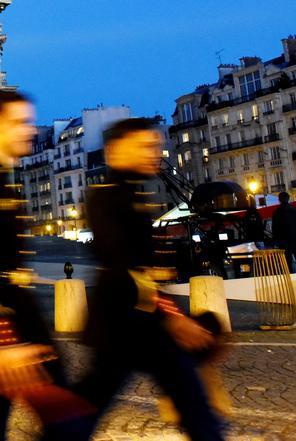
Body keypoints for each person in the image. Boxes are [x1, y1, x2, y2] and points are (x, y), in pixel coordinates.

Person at [0, 89, 91, 441]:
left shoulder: (1, 183)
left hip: (19, 322)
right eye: (19, 122)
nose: (29, 129)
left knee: (62, 419)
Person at [74, 118, 224, 440]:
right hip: (123, 322)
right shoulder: (108, 197)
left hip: (137, 323)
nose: (153, 152)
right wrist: (172, 318)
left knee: (191, 402)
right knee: (90, 404)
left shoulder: (130, 194)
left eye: (154, 145)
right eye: (142, 146)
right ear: (115, 152)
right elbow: (126, 267)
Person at [271, 191, 294, 270]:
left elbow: (274, 228)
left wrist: (276, 240)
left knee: (287, 263)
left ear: (279, 200)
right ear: (288, 199)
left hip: (283, 240)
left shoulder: (276, 212)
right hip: (294, 238)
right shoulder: (293, 210)